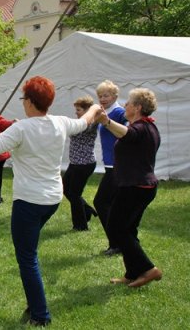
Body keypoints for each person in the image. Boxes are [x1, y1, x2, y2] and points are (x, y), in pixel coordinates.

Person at [0, 76, 100, 327]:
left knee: (27, 257)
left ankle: (40, 315)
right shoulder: (60, 123)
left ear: (29, 101)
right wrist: (95, 108)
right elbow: (85, 121)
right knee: (29, 252)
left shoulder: (22, 128)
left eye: (23, 98)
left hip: (30, 201)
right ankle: (34, 302)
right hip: (51, 200)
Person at [97, 88, 162, 288]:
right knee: (128, 229)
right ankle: (133, 272)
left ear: (138, 107)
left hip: (135, 187)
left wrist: (106, 121)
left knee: (116, 228)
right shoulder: (149, 128)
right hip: (141, 186)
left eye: (128, 103)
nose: (125, 106)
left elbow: (127, 134)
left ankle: (149, 269)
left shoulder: (141, 128)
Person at [93, 80, 127, 256]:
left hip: (118, 165)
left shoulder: (120, 112)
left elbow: (126, 134)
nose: (102, 98)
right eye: (100, 95)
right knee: (111, 204)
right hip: (109, 164)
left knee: (101, 201)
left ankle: (117, 243)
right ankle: (119, 242)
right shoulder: (104, 112)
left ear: (115, 96)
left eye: (106, 95)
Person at [63, 96, 99, 231]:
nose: (76, 112)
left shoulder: (91, 123)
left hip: (85, 164)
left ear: (86, 111)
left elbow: (76, 129)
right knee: (66, 188)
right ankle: (87, 210)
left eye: (78, 110)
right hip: (75, 163)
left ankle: (80, 225)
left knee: (75, 193)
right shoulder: (79, 122)